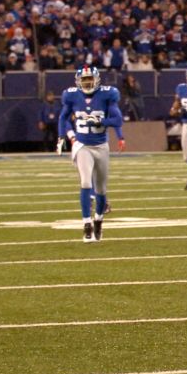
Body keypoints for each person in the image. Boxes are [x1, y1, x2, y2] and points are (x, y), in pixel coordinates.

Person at [57, 66, 126, 242]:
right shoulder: (71, 95)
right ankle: (86, 223)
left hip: (101, 146)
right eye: (84, 80)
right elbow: (63, 117)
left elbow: (118, 120)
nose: (87, 83)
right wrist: (61, 137)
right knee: (86, 183)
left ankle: (98, 220)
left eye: (89, 80)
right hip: (82, 145)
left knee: (101, 190)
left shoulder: (107, 94)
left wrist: (100, 121)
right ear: (78, 82)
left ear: (96, 80)